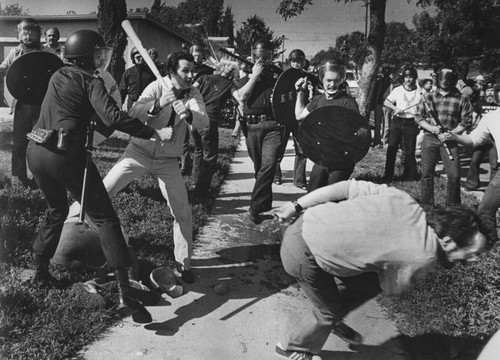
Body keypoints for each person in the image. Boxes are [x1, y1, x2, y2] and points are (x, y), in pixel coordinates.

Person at [26, 29, 174, 322]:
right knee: (106, 219)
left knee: (56, 211)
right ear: (86, 55)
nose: (101, 58)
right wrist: (153, 130)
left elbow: (90, 119)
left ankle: (40, 272)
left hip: (37, 151)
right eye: (97, 53)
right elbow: (112, 118)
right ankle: (124, 294)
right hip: (66, 155)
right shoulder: (90, 80)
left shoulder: (58, 76)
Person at [274, 179, 495, 360]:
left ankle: (334, 316)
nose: (474, 260)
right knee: (328, 310)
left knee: (365, 285)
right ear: (447, 241)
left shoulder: (405, 200)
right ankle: (293, 348)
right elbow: (391, 287)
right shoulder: (424, 257)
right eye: (472, 252)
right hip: (301, 255)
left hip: (302, 221)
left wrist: (296, 205)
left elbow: (343, 188)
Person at [83, 51, 208, 284]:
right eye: (185, 70)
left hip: (168, 161)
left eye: (193, 70)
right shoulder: (156, 86)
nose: (191, 75)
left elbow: (204, 121)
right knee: (101, 192)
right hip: (138, 152)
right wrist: (158, 104)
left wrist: (189, 113)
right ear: (172, 72)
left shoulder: (193, 92)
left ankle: (184, 264)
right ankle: (81, 228)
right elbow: (133, 112)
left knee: (182, 211)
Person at [0, 18, 56, 188]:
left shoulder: (47, 52)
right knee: (19, 144)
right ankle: (18, 179)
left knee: (41, 143)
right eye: (24, 33)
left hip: (42, 106)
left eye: (31, 32)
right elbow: (3, 68)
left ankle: (41, 178)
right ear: (19, 34)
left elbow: (58, 70)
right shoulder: (15, 52)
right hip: (22, 106)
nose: (27, 36)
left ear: (38, 34)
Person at [233, 39, 283, 224]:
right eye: (260, 57)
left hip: (273, 126)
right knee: (260, 169)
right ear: (253, 57)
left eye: (268, 57)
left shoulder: (278, 78)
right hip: (252, 127)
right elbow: (242, 97)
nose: (264, 61)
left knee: (268, 165)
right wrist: (255, 76)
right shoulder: (243, 79)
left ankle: (254, 208)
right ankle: (265, 204)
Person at [295, 60, 360, 192]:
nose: (332, 84)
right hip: (322, 158)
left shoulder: (348, 103)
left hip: (342, 160)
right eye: (328, 80)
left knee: (332, 195)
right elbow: (299, 115)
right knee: (313, 193)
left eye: (336, 80)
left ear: (342, 80)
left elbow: (354, 132)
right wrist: (300, 93)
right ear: (322, 80)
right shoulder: (318, 100)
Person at [415, 67, 473, 209]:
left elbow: (466, 121)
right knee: (427, 174)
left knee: (454, 176)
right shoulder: (427, 97)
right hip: (430, 138)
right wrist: (432, 128)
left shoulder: (462, 98)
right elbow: (419, 117)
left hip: (450, 140)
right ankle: (427, 206)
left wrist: (453, 133)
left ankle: (453, 207)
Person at [440, 105, 500, 229]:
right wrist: (454, 137)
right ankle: (491, 244)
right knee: (485, 210)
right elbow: (473, 140)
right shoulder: (490, 117)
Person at [190, 59, 239, 202]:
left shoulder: (204, 77)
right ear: (232, 73)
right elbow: (239, 97)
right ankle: (200, 193)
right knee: (210, 157)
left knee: (198, 150)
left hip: (194, 117)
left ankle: (195, 180)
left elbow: (191, 90)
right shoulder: (229, 85)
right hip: (209, 121)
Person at [274, 49, 309, 189]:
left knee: (302, 150)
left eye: (299, 61)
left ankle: (299, 180)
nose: (297, 64)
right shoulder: (283, 77)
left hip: (300, 118)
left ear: (304, 62)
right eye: (294, 61)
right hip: (285, 117)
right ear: (290, 62)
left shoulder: (308, 77)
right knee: (279, 148)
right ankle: (276, 175)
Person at [179, 43, 215, 176]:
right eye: (195, 56)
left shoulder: (208, 70)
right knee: (183, 135)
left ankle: (198, 165)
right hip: (184, 102)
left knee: (197, 138)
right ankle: (184, 163)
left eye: (200, 56)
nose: (197, 58)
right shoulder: (186, 68)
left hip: (199, 104)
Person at [382, 66, 422, 181]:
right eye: (406, 77)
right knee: (392, 149)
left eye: (411, 77)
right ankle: (388, 176)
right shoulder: (397, 90)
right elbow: (386, 102)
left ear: (415, 78)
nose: (408, 80)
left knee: (409, 152)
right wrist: (395, 108)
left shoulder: (420, 92)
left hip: (411, 123)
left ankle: (410, 176)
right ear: (403, 78)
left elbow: (426, 102)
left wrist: (419, 87)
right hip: (397, 121)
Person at [463, 82, 498, 191]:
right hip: (482, 135)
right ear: (485, 92)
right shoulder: (479, 103)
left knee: (494, 164)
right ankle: (471, 184)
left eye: (492, 90)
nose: (490, 93)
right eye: (488, 91)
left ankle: (492, 188)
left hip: (494, 138)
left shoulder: (498, 105)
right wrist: (468, 128)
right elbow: (474, 117)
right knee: (475, 159)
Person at [119, 47, 156, 111]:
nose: (141, 59)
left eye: (142, 56)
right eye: (138, 57)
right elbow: (122, 91)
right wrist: (119, 106)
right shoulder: (128, 73)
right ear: (133, 59)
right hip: (132, 104)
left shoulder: (151, 72)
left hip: (147, 104)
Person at [371, 67, 391, 148]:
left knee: (387, 126)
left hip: (388, 105)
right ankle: (377, 141)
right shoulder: (378, 82)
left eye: (387, 71)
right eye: (384, 71)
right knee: (377, 124)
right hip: (378, 104)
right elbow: (374, 94)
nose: (386, 73)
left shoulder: (392, 83)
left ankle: (385, 142)